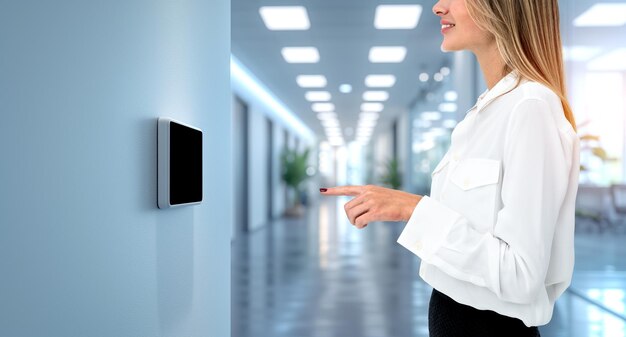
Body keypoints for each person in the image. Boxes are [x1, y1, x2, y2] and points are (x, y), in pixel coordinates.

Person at [320, 0, 579, 336]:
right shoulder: (485, 112)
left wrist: (413, 209)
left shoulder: (530, 108)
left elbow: (521, 276)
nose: (438, 6)